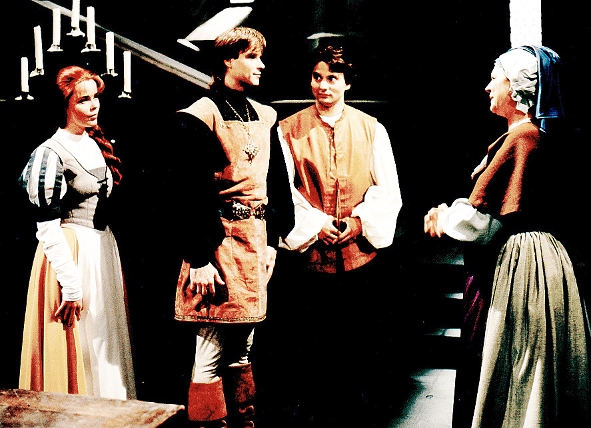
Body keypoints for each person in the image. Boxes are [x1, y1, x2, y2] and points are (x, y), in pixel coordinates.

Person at [424, 45, 591, 427]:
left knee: (515, 364)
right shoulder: (526, 137)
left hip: (522, 267)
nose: (488, 87)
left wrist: (444, 219)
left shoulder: (523, 138)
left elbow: (487, 222)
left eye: (494, 78)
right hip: (539, 261)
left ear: (515, 88)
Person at [171, 27, 294, 427]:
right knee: (210, 347)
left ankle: (244, 420)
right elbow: (188, 192)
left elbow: (276, 182)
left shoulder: (265, 115)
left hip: (254, 242)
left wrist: (272, 242)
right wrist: (199, 258)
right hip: (218, 244)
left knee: (243, 346)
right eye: (252, 57)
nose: (261, 65)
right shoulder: (200, 114)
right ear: (228, 60)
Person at [277, 43, 402, 427]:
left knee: (358, 354)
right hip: (309, 261)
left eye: (332, 78)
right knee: (311, 358)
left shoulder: (371, 128)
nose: (323, 86)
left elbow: (387, 190)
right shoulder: (288, 130)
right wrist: (317, 224)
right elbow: (284, 191)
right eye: (317, 77)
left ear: (347, 83)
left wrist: (358, 223)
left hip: (359, 260)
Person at [18, 65, 136, 400]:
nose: (93, 105)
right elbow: (46, 227)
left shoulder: (96, 143)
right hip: (70, 255)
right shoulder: (49, 152)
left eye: (95, 97)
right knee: (79, 346)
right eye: (83, 100)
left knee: (104, 340)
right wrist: (70, 285)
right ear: (65, 105)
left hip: (102, 251)